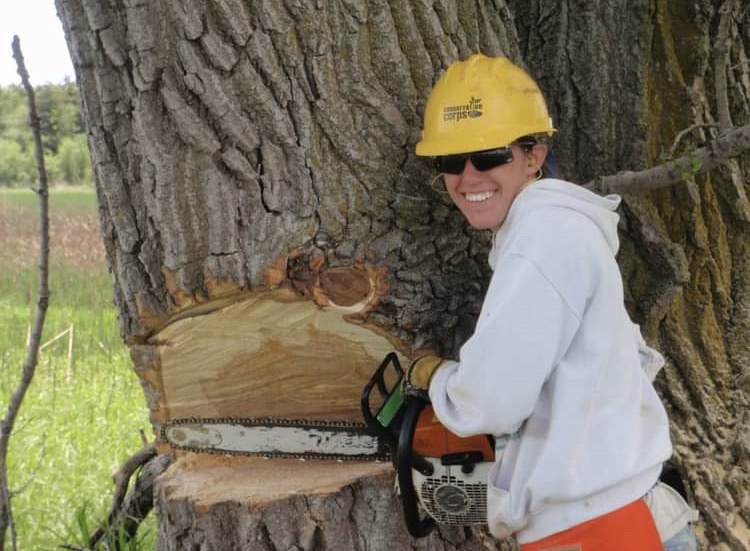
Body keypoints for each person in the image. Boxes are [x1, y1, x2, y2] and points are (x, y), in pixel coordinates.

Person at [404, 54, 699, 550]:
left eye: (490, 155)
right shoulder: (548, 232)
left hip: (608, 532)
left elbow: (491, 401)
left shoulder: (545, 239)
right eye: (452, 161)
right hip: (601, 521)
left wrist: (438, 381)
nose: (469, 176)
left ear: (534, 155)